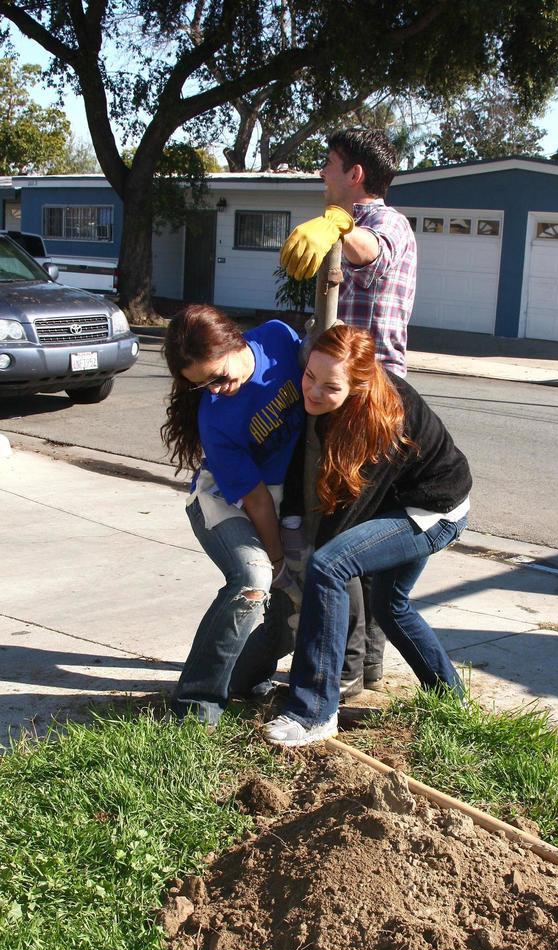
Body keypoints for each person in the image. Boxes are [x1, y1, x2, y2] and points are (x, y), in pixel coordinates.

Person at [264, 324, 472, 748]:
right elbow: (302, 461)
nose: (314, 391)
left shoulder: (382, 421)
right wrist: (290, 520)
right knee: (390, 606)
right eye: (310, 376)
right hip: (403, 501)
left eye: (331, 386)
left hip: (434, 509)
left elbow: (348, 520)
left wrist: (306, 570)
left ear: (359, 386)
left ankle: (315, 713)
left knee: (329, 565)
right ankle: (452, 697)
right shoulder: (326, 400)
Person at [281, 127, 418, 692]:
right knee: (341, 525)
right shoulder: (351, 223)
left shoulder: (384, 223)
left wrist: (341, 222)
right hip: (345, 389)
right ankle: (359, 666)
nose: (322, 174)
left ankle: (351, 671)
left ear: (355, 172)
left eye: (329, 163)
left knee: (344, 529)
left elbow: (373, 253)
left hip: (366, 396)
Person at [161, 304, 304, 724]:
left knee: (294, 607)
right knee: (254, 580)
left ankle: (244, 678)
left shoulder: (278, 338)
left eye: (218, 376)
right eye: (201, 385)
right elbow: (256, 499)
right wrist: (278, 559)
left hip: (284, 498)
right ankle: (195, 705)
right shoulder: (216, 417)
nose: (215, 389)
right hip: (223, 502)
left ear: (235, 342)